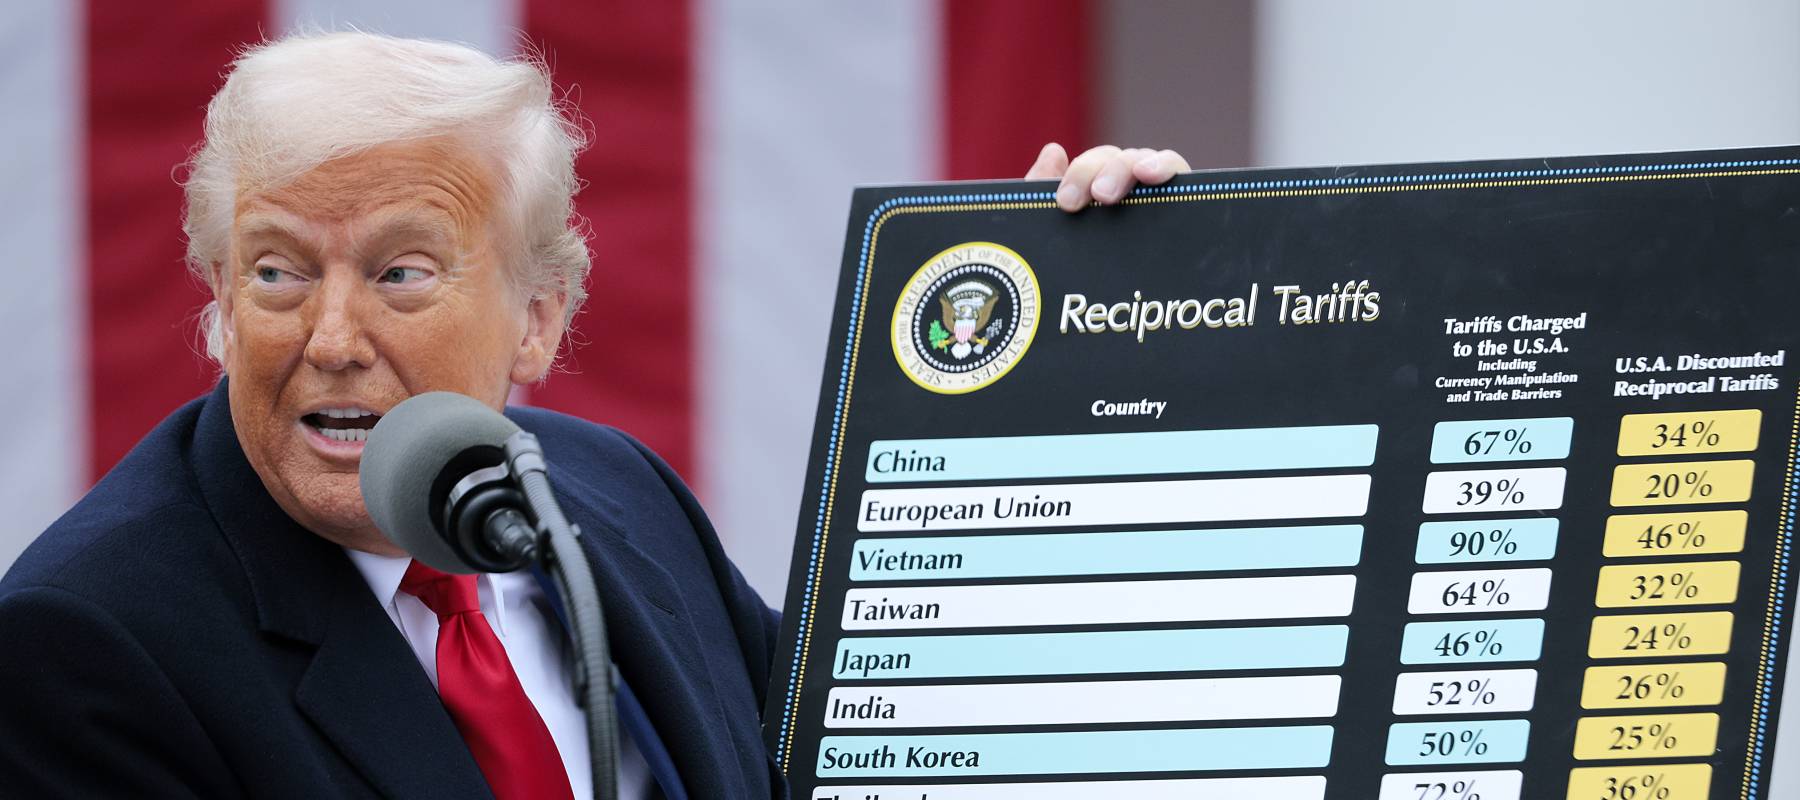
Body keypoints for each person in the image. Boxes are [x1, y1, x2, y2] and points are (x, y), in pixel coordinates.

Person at [0, 31, 1189, 800]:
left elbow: (898, 744)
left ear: (539, 318)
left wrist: (1065, 358)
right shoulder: (85, 642)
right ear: (216, 303)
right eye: (276, 273)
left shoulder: (610, 491)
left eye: (402, 272)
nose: (330, 336)